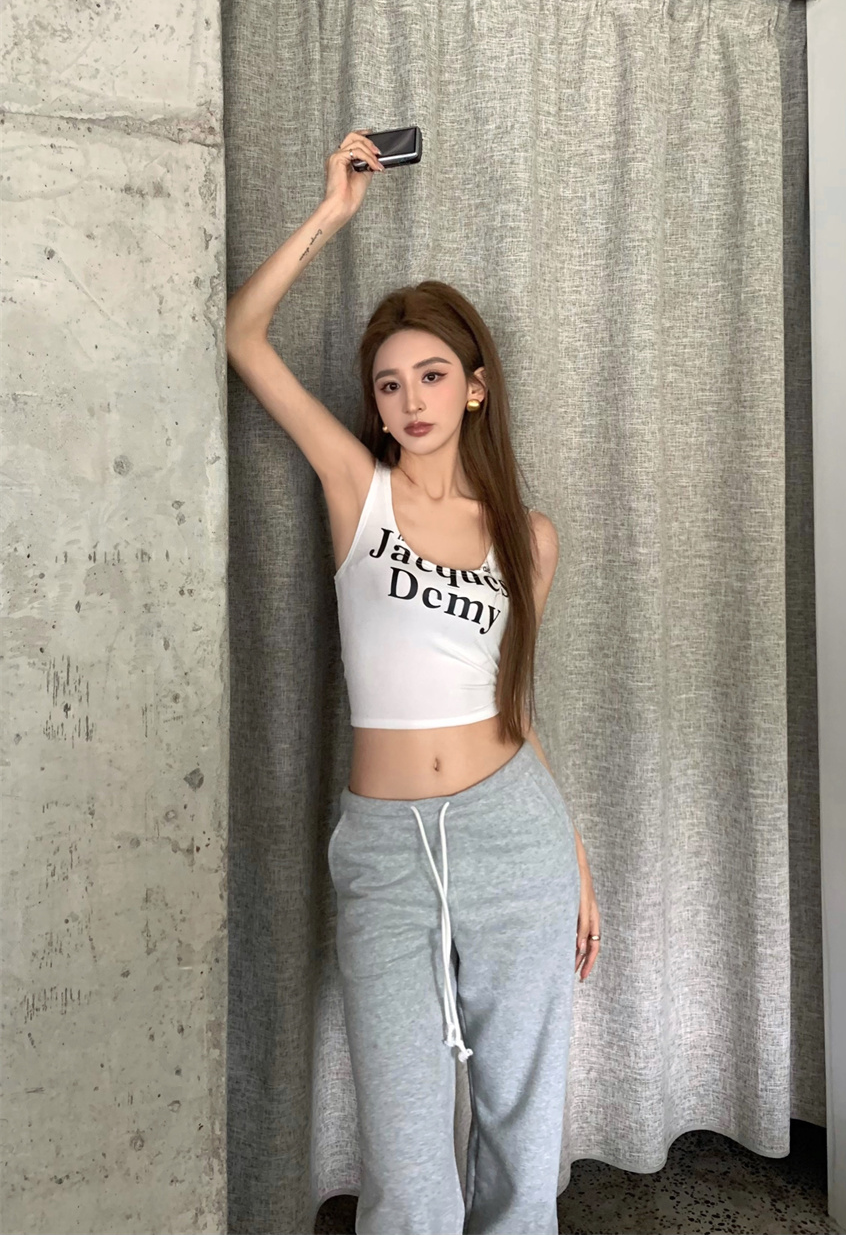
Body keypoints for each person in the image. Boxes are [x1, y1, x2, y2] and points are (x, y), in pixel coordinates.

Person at [225, 129, 602, 1235]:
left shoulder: (528, 537)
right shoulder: (358, 488)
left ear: (475, 389)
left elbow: (516, 707)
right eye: (389, 385)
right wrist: (330, 214)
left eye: (432, 374)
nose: (410, 398)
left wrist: (576, 860)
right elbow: (243, 337)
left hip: (515, 835)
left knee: (521, 1145)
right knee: (408, 1173)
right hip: (386, 852)